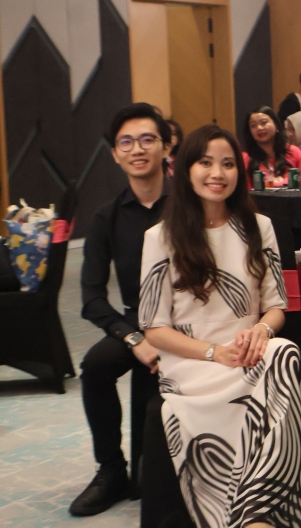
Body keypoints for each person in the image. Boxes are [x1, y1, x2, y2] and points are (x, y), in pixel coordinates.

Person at [140, 125, 301, 527]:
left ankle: (252, 512)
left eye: (227, 164)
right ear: (186, 170)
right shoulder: (160, 237)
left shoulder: (259, 227)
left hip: (251, 355)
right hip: (194, 364)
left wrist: (262, 331)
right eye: (206, 163)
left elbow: (275, 307)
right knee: (282, 370)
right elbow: (154, 330)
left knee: (284, 352)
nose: (217, 173)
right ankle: (258, 517)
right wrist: (215, 353)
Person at [70, 103, 172, 517]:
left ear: (166, 147)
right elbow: (92, 297)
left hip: (190, 321)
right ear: (115, 154)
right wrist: (133, 338)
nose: (137, 149)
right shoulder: (106, 217)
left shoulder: (191, 204)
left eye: (147, 139)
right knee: (95, 366)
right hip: (137, 321)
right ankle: (111, 469)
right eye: (126, 142)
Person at [242, 106, 301, 187]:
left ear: (276, 124)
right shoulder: (245, 159)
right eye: (253, 125)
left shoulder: (293, 152)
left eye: (264, 122)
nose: (259, 128)